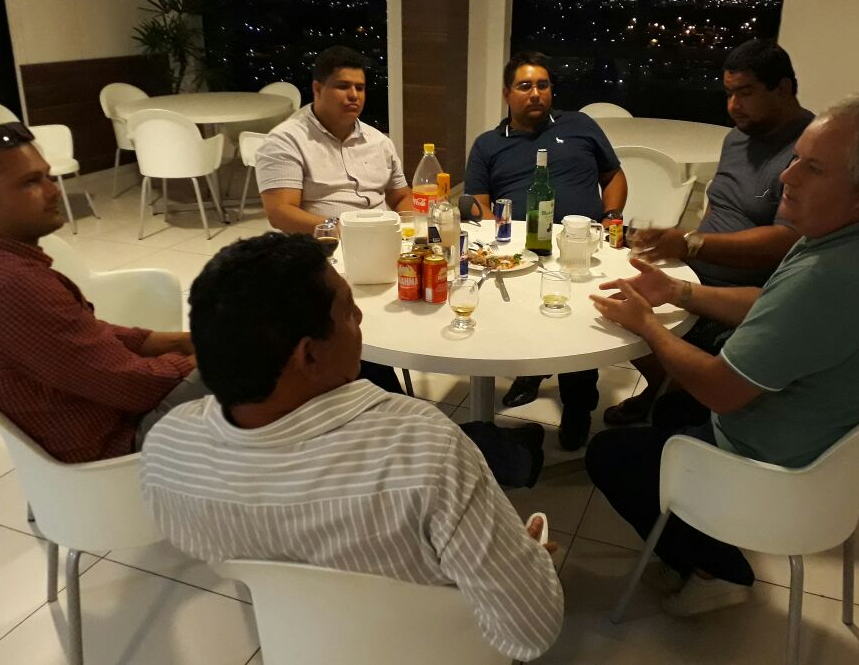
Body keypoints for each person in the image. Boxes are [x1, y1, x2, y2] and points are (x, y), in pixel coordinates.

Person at [140, 233, 564, 661]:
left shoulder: (167, 449)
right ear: (309, 356)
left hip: (299, 642)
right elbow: (531, 632)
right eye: (347, 310)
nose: (360, 315)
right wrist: (524, 562)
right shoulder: (425, 449)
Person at [585, 95, 859, 616]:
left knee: (609, 454)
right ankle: (691, 518)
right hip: (816, 427)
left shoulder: (832, 277)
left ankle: (717, 570)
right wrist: (678, 293)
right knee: (672, 405)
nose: (787, 176)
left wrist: (647, 326)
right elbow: (770, 304)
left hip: (781, 468)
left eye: (813, 168)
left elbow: (721, 390)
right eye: (796, 159)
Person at [0, 123, 205, 462]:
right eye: (31, 182)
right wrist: (209, 357)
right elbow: (135, 388)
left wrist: (170, 341)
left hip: (90, 423)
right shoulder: (13, 287)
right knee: (261, 358)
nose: (53, 192)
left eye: (47, 177)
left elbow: (76, 338)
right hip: (119, 445)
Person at [604, 38, 814, 427]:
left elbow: (786, 241)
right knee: (614, 301)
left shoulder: (806, 153)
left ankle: (677, 401)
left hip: (746, 295)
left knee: (649, 332)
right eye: (729, 93)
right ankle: (661, 385)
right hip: (698, 270)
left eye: (745, 93)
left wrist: (691, 244)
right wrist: (679, 251)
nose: (733, 106)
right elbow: (719, 203)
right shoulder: (736, 138)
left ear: (783, 88)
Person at [464, 51, 628, 450]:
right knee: (521, 319)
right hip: (519, 249)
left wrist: (611, 216)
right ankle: (532, 370)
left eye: (543, 85)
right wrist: (499, 241)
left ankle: (578, 405)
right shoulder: (488, 145)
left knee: (579, 325)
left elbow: (614, 175)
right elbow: (478, 205)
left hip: (581, 245)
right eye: (525, 86)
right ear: (507, 93)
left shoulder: (580, 126)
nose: (535, 93)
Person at [256, 45, 412, 235]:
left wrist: (408, 230)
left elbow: (401, 197)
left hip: (382, 238)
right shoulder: (286, 141)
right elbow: (280, 213)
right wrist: (344, 230)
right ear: (317, 89)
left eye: (360, 88)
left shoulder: (379, 141)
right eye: (343, 86)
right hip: (322, 243)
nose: (354, 95)